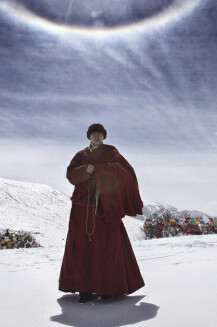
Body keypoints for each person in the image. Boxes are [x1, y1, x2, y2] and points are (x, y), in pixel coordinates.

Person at [58, 123, 145, 303]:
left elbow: (126, 171)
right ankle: (84, 289)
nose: (96, 136)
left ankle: (108, 288)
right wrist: (84, 171)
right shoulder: (80, 155)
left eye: (99, 134)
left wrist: (102, 170)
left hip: (105, 206)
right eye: (93, 134)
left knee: (108, 247)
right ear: (88, 137)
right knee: (82, 248)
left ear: (104, 137)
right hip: (81, 208)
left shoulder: (111, 152)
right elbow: (70, 173)